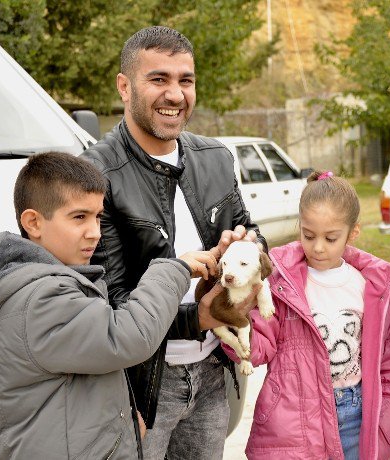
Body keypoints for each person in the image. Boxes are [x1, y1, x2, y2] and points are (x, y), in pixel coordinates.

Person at [0, 152, 222, 459]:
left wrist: (120, 418)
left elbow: (77, 376)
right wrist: (173, 269)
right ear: (33, 222)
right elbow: (127, 336)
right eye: (79, 217)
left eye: (98, 216)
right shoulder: (41, 298)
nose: (94, 232)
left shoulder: (41, 281)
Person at [81, 26, 266, 460]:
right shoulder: (94, 173)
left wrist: (245, 246)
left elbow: (256, 238)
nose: (176, 94)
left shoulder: (216, 158)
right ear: (124, 87)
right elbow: (111, 303)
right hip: (141, 382)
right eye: (159, 79)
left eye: (186, 80)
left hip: (212, 370)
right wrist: (198, 317)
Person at [223, 171, 390, 460]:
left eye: (331, 238)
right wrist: (233, 323)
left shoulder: (371, 288)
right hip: (295, 423)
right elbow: (261, 347)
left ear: (353, 232)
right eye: (308, 235)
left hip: (355, 418)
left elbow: (388, 360)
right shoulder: (282, 284)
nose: (318, 247)